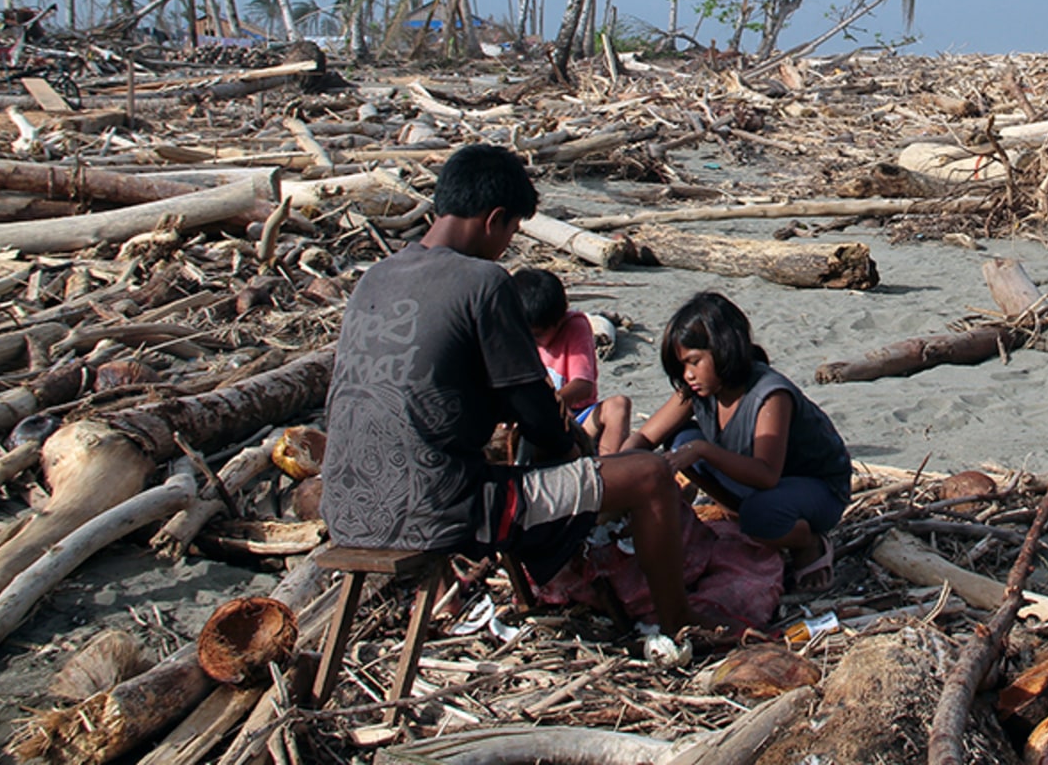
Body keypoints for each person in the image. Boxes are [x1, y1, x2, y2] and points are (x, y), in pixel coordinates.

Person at [320, 143, 702, 639]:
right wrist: (578, 451)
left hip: (345, 508)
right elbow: (536, 411)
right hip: (442, 509)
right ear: (494, 219)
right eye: (513, 231)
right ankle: (681, 629)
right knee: (648, 475)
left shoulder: (375, 278)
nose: (508, 245)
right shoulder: (483, 281)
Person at [616, 291, 853, 589]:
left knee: (758, 513)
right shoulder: (698, 389)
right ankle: (740, 513)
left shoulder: (769, 395)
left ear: (723, 349)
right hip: (760, 486)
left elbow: (766, 475)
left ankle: (807, 542)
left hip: (816, 488)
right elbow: (646, 435)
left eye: (694, 362)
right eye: (682, 366)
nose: (688, 374)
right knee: (679, 440)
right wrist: (616, 469)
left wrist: (703, 450)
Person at [510, 267, 599, 430]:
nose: (534, 341)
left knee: (618, 406)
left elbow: (584, 385)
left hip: (577, 413)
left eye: (539, 335)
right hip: (531, 417)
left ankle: (608, 456)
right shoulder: (514, 332)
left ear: (560, 320)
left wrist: (552, 404)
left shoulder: (575, 326)